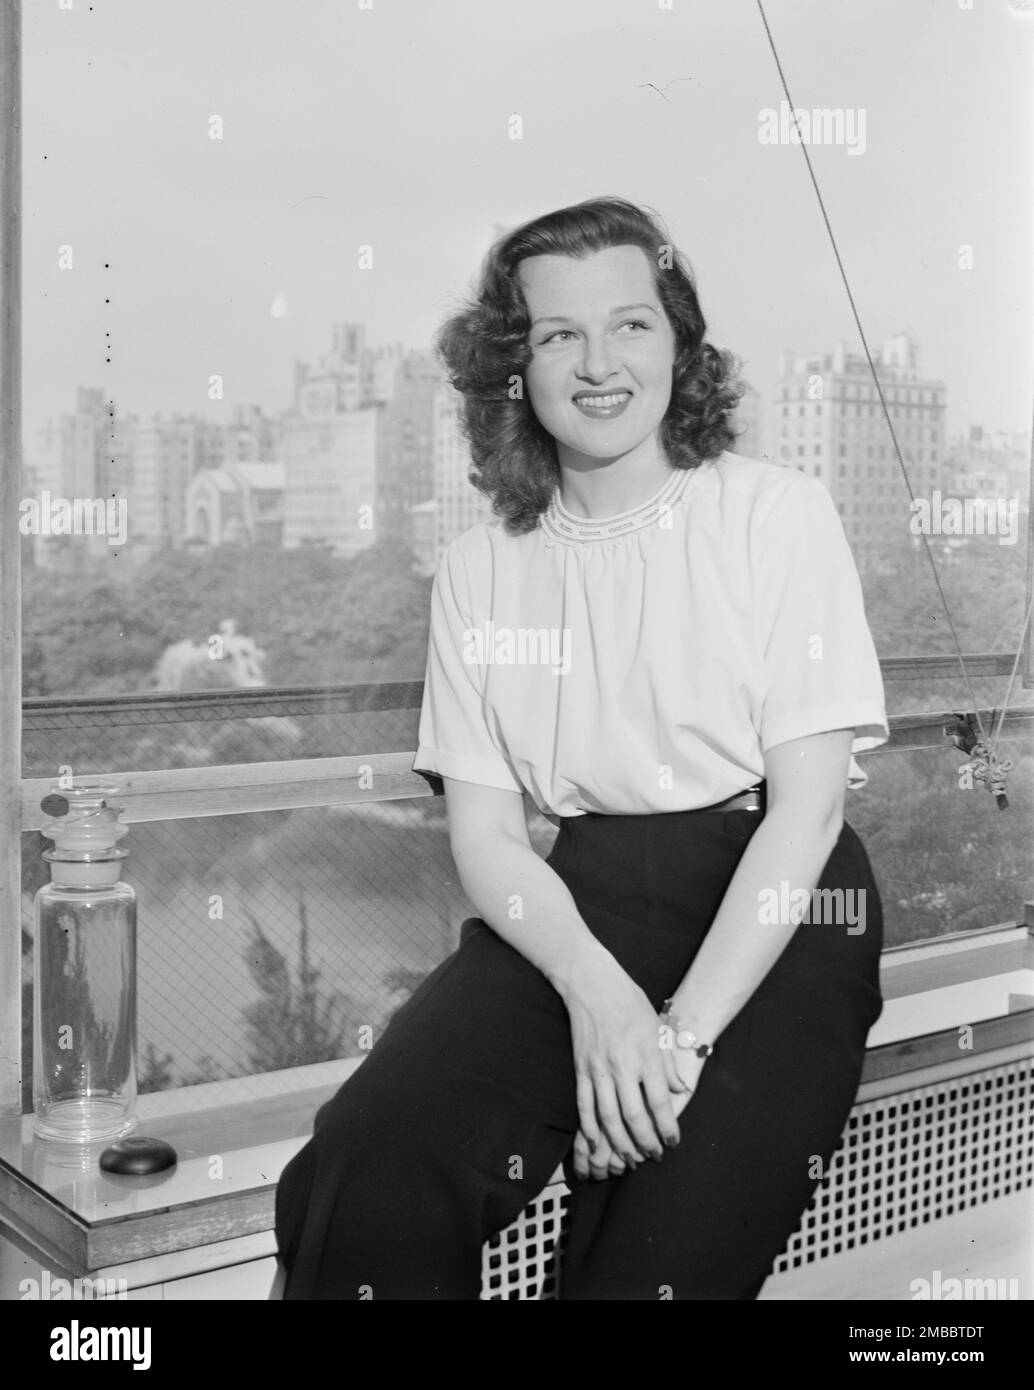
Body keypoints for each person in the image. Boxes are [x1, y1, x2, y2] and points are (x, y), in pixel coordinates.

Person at [273, 195, 889, 1300]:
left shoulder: (773, 514)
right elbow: (488, 838)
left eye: (630, 324)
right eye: (558, 335)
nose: (597, 363)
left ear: (677, 343)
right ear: (515, 366)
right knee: (365, 1167)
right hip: (578, 905)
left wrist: (674, 1042)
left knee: (648, 1272)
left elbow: (808, 810)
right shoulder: (478, 569)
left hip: (776, 903)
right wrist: (600, 1001)